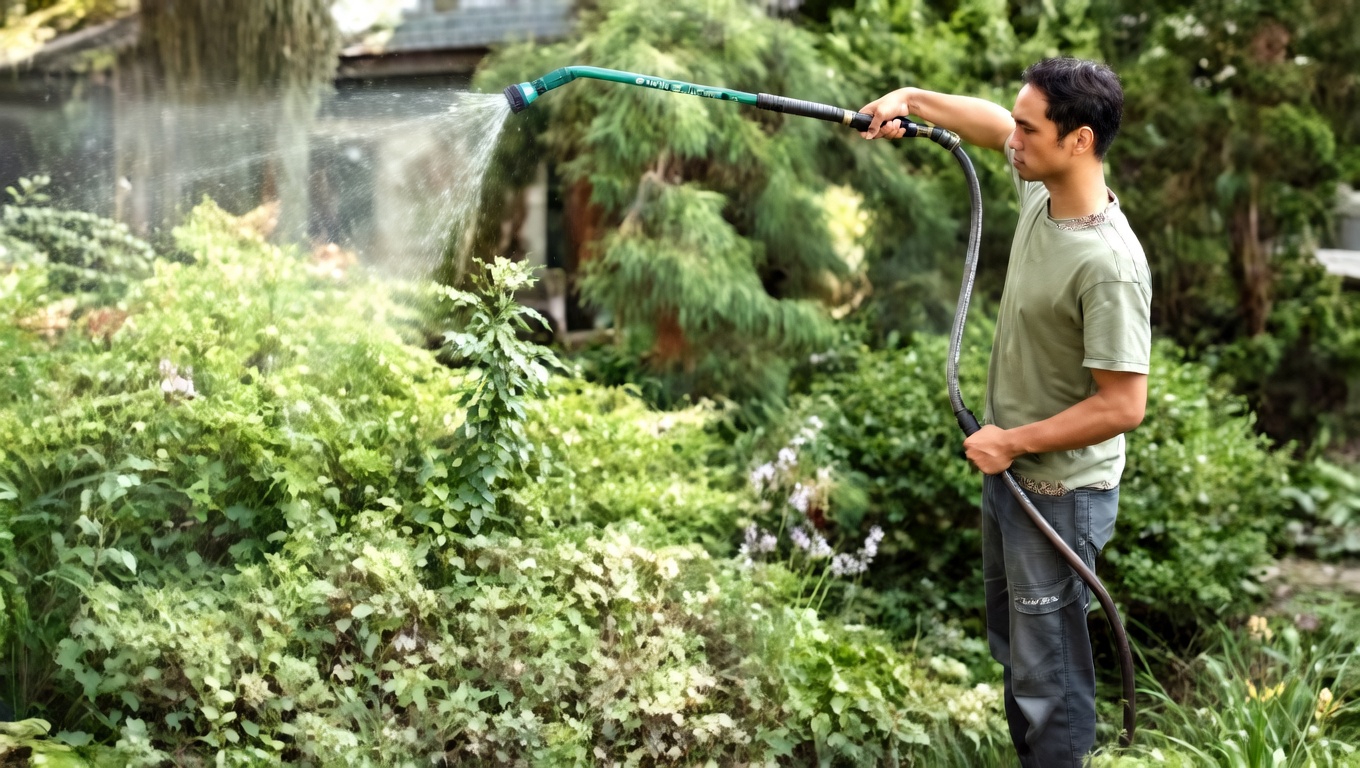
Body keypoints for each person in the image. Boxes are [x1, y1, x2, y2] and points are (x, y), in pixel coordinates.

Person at [859, 58, 1151, 766]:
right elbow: (989, 124)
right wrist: (910, 95)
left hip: (1059, 493)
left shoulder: (1107, 265)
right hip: (1013, 477)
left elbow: (1123, 405)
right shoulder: (1040, 189)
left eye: (1029, 128)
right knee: (1021, 659)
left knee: (1050, 678)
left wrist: (1012, 443)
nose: (1011, 139)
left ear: (1078, 140)